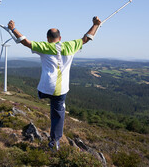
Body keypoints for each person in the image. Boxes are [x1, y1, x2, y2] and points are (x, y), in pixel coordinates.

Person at [7, 16, 101, 150]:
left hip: (45, 88)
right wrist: (95, 25)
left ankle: (44, 98)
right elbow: (87, 38)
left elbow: (25, 41)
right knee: (58, 113)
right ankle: (54, 141)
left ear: (48, 39)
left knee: (49, 100)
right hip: (61, 90)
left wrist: (13, 29)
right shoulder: (71, 45)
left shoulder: (44, 46)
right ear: (60, 38)